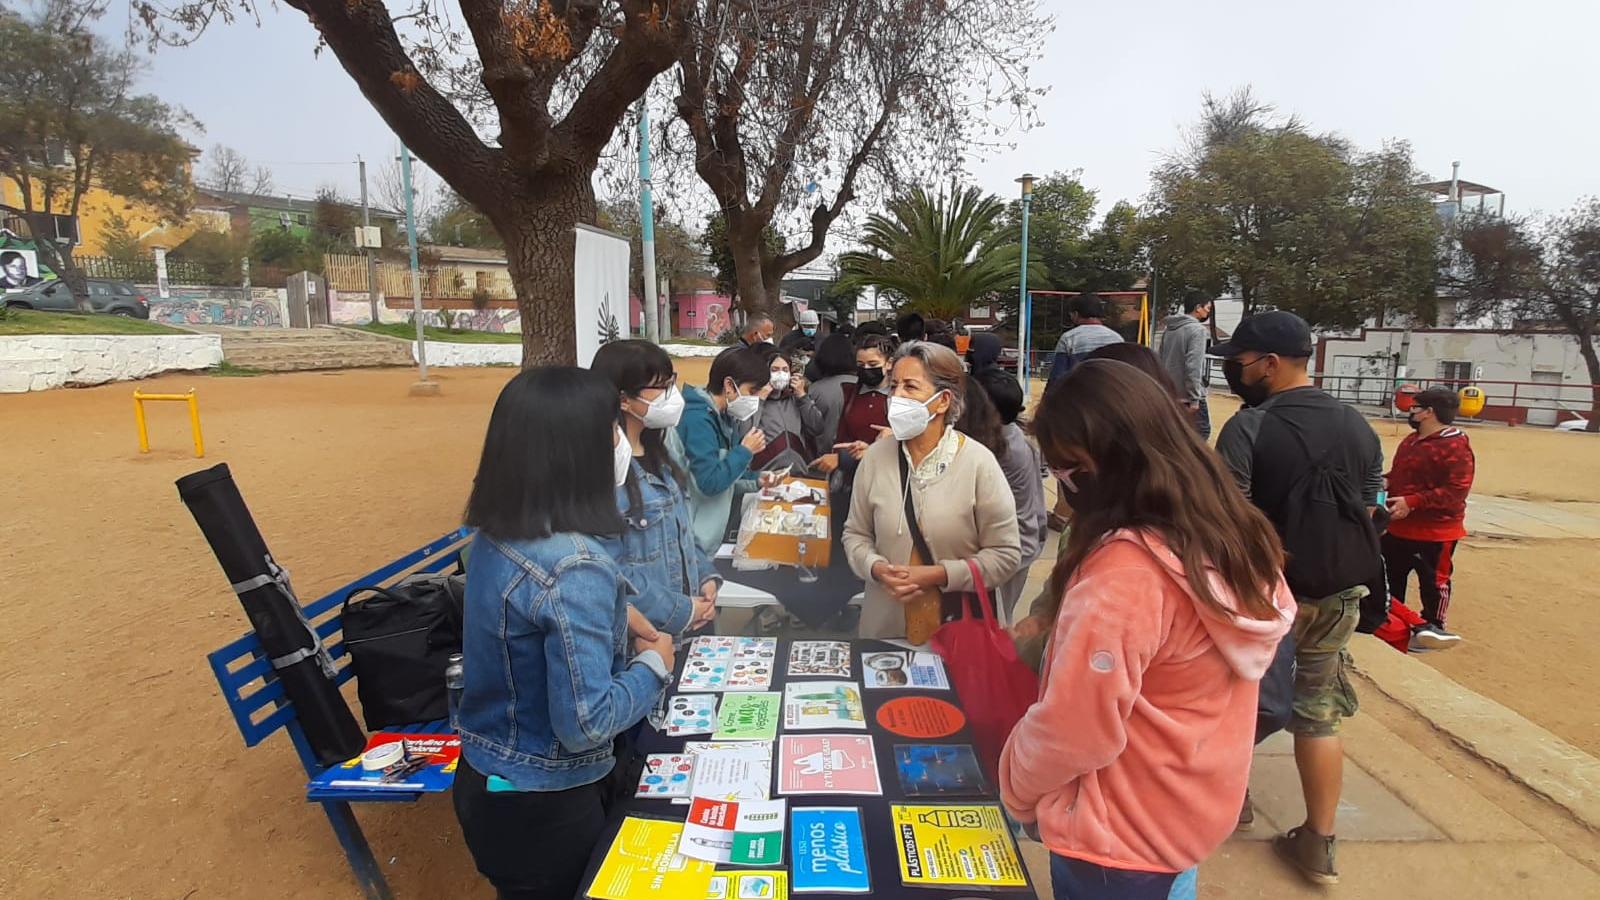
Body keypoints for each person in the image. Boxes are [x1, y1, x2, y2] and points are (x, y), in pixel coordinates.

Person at [1000, 359, 1295, 900]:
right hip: (1179, 814)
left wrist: (1017, 790)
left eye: (1067, 469)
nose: (1063, 485)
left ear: (1106, 465)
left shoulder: (1126, 575)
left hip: (1116, 837)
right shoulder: (1230, 536)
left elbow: (1075, 727)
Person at [453, 366, 675, 900]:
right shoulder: (574, 566)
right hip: (547, 805)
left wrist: (616, 609)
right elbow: (586, 722)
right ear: (575, 450)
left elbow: (529, 611)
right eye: (611, 429)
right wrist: (654, 666)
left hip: (491, 781)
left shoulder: (498, 532)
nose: (620, 442)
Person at [1212, 311, 1384, 886]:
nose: (1233, 371)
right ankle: (1319, 841)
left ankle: (1232, 802)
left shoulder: (1249, 427)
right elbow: (1367, 506)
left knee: (1242, 699)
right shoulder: (1359, 426)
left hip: (1267, 594)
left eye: (1238, 362)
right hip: (1338, 595)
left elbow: (1229, 519)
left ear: (1268, 363)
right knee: (1318, 713)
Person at [841, 341, 1021, 640]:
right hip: (887, 628)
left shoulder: (978, 463)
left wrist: (940, 574)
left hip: (961, 632)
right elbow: (855, 534)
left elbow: (1005, 555)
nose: (896, 396)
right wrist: (875, 568)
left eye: (910, 387)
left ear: (942, 401)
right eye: (894, 385)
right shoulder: (875, 457)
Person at [590, 340, 720, 636]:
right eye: (659, 387)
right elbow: (611, 567)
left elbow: (683, 532)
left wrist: (705, 577)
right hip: (647, 638)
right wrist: (681, 610)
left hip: (689, 621)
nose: (671, 396)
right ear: (623, 399)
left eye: (670, 383)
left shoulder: (661, 453)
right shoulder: (609, 471)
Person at [1382, 387, 1474, 650]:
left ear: (1428, 412)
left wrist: (1413, 502)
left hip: (1436, 531)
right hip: (1399, 526)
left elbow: (1456, 491)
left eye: (1414, 407)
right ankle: (1394, 624)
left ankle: (1434, 626)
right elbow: (1402, 475)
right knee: (1389, 577)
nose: (1409, 411)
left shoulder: (1455, 446)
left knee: (1434, 583)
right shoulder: (1411, 441)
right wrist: (1387, 482)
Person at [675, 346, 775, 553]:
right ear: (729, 385)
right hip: (690, 541)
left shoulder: (723, 417)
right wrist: (745, 451)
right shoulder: (697, 420)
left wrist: (756, 480)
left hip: (707, 537)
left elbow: (726, 473)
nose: (755, 399)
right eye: (752, 391)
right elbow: (709, 483)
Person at [972, 367, 1046, 620]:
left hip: (1013, 546)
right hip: (1021, 539)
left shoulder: (1002, 450)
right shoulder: (1009, 433)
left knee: (995, 620)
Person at [751, 346, 826, 476]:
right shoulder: (754, 400)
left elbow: (817, 427)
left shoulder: (795, 399)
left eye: (785, 370)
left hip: (799, 473)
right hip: (764, 476)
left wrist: (802, 396)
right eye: (774, 370)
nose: (780, 374)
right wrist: (760, 399)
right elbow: (745, 431)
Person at [1158, 292, 1215, 439]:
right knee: (1201, 434)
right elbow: (1193, 366)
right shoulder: (1198, 330)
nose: (1208, 312)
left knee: (1175, 437)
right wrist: (1195, 398)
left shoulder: (1169, 330)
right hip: (1188, 396)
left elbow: (1160, 359)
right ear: (1198, 308)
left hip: (1170, 394)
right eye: (1207, 308)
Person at [1046, 293, 1123, 385]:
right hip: (1112, 392)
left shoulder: (1069, 338)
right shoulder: (1117, 338)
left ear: (1076, 314)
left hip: (1080, 392)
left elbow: (1057, 376)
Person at [805, 333, 859, 447]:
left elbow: (808, 428)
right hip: (858, 454)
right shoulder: (863, 386)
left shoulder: (815, 390)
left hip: (822, 456)